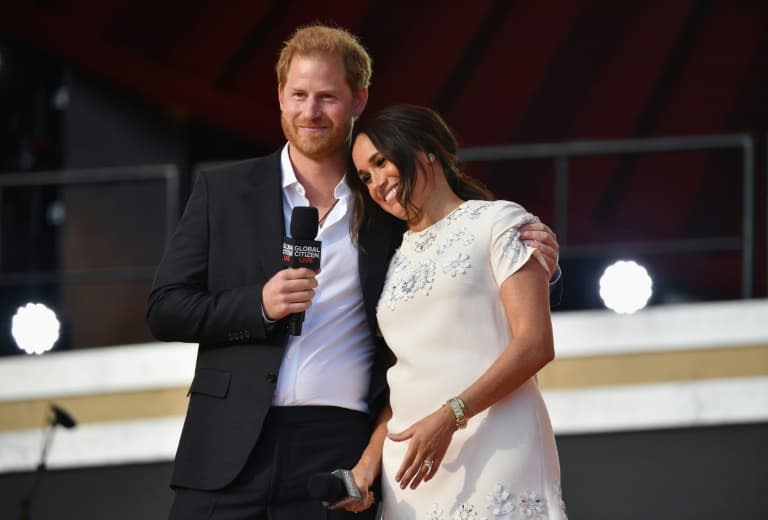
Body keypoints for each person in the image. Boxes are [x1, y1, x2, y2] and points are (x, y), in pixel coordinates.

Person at [146, 24, 561, 520]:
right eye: (298, 94)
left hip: (339, 448)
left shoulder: (388, 201)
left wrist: (543, 262)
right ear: (280, 96)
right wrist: (258, 304)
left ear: (359, 98)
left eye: (327, 97)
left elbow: (458, 257)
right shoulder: (223, 190)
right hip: (226, 450)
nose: (310, 111)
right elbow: (165, 308)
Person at [346, 104, 567, 519]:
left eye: (381, 162)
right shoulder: (393, 259)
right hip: (412, 469)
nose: (376, 183)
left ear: (427, 149)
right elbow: (405, 377)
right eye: (365, 176)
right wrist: (368, 464)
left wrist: (450, 416)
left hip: (495, 445)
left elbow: (536, 344)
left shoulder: (498, 221)